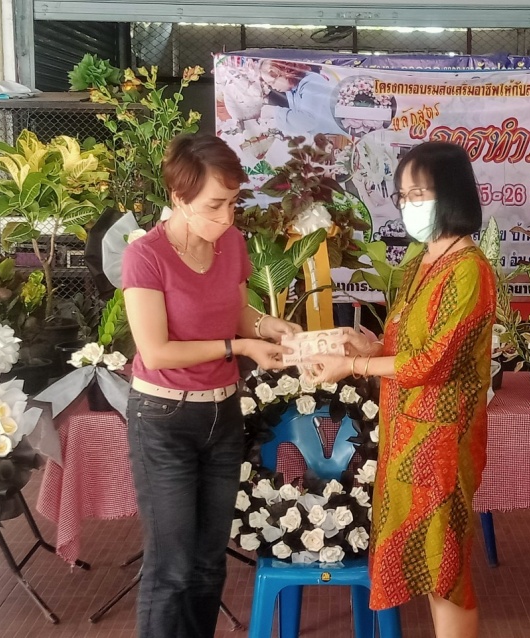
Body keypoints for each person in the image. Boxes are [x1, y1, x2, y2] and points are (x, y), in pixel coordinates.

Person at [307, 141, 496, 638]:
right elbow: (404, 347)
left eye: (419, 194)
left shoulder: (468, 269)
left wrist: (351, 366)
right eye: (403, 195)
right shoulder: (419, 263)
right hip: (405, 435)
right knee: (424, 564)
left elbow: (433, 362)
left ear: (451, 194)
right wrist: (366, 345)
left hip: (442, 442)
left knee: (446, 573)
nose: (409, 205)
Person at [121, 133, 298, 638]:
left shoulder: (231, 244)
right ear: (179, 198)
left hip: (222, 414)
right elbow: (156, 352)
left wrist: (268, 326)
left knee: (207, 565)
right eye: (215, 205)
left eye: (233, 202)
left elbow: (237, 311)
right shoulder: (146, 256)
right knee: (171, 569)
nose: (227, 216)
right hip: (164, 419)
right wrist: (239, 348)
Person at [260, 59, 345, 136]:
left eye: (272, 82)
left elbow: (308, 121)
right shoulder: (291, 89)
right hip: (325, 137)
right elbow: (299, 122)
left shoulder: (311, 82)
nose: (272, 87)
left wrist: (274, 111)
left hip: (340, 137)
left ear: (284, 72)